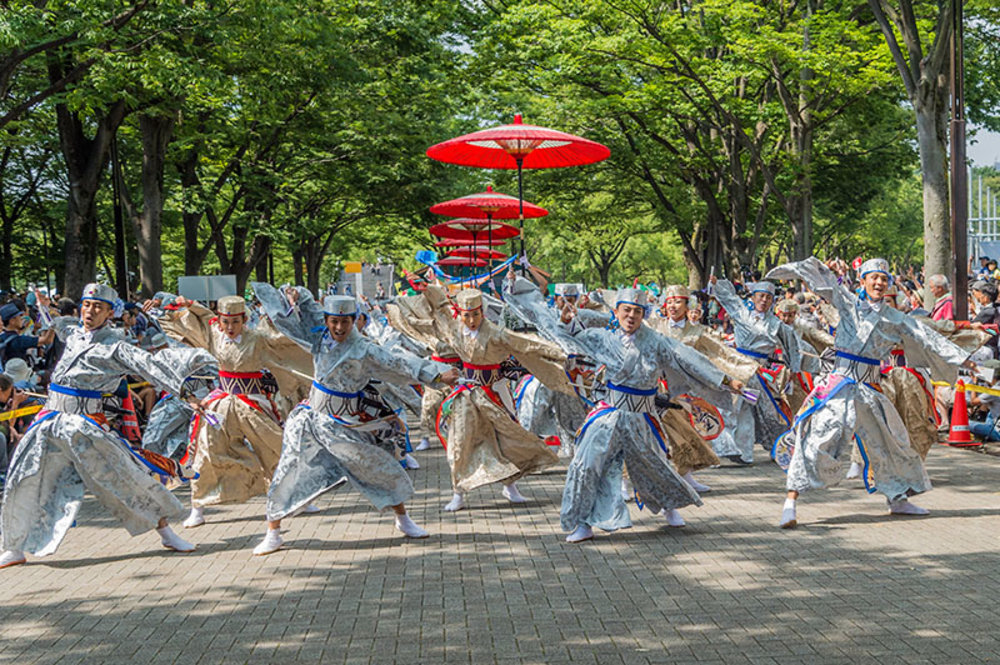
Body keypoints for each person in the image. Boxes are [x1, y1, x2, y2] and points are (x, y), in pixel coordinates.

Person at [505, 277, 745, 542]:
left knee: (654, 465)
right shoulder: (603, 338)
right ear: (616, 311)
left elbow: (688, 358)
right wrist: (565, 321)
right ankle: (582, 522)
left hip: (642, 417)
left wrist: (724, 380)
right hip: (608, 413)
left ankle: (669, 507)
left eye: (637, 311)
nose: (631, 316)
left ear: (644, 314)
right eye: (626, 310)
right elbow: (571, 336)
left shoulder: (657, 341)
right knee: (585, 464)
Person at [0, 283, 215, 569]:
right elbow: (56, 322)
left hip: (85, 425)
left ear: (110, 313)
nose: (90, 311)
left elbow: (150, 365)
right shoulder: (73, 332)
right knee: (23, 477)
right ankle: (13, 545)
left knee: (125, 477)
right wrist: (42, 304)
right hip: (49, 420)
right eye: (87, 305)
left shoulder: (116, 346)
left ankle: (165, 531)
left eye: (98, 307)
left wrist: (188, 394)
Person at [248, 284, 459, 555]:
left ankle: (403, 519)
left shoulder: (364, 349)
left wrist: (438, 374)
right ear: (327, 321)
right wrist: (302, 295)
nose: (339, 328)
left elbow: (399, 363)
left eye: (344, 322)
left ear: (354, 320)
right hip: (312, 420)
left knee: (380, 466)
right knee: (288, 471)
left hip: (348, 424)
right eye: (334, 321)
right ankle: (273, 532)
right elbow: (305, 315)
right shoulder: (319, 337)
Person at [766, 258, 975, 528]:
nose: (878, 283)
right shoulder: (848, 302)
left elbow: (926, 336)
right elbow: (827, 283)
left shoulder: (895, 317)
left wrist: (960, 358)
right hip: (838, 385)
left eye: (883, 279)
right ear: (862, 281)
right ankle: (790, 502)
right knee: (818, 437)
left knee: (891, 441)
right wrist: (801, 268)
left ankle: (897, 498)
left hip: (869, 388)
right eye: (873, 278)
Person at [157, 294, 312, 528]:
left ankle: (299, 495)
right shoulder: (214, 333)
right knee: (206, 449)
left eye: (235, 322)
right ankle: (198, 505)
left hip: (252, 402)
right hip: (220, 402)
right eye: (225, 321)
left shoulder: (258, 339)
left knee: (275, 446)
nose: (229, 327)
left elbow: (284, 342)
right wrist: (187, 304)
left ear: (244, 320)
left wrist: (292, 309)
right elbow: (202, 317)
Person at [417, 286, 573, 512]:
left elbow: (528, 343)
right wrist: (427, 289)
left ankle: (510, 485)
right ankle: (458, 491)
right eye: (466, 315)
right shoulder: (454, 330)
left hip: (495, 391)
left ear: (483, 312)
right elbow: (441, 308)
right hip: (467, 393)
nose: (471, 320)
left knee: (508, 439)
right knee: (459, 442)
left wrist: (561, 354)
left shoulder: (496, 333)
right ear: (459, 314)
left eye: (476, 314)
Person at [710, 278, 801, 463]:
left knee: (752, 408)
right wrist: (718, 283)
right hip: (738, 367)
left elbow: (792, 345)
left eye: (768, 297)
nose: (764, 300)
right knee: (731, 406)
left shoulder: (776, 325)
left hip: (759, 373)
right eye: (761, 296)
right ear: (753, 296)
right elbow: (729, 298)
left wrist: (793, 369)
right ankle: (723, 449)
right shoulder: (742, 313)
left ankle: (746, 452)